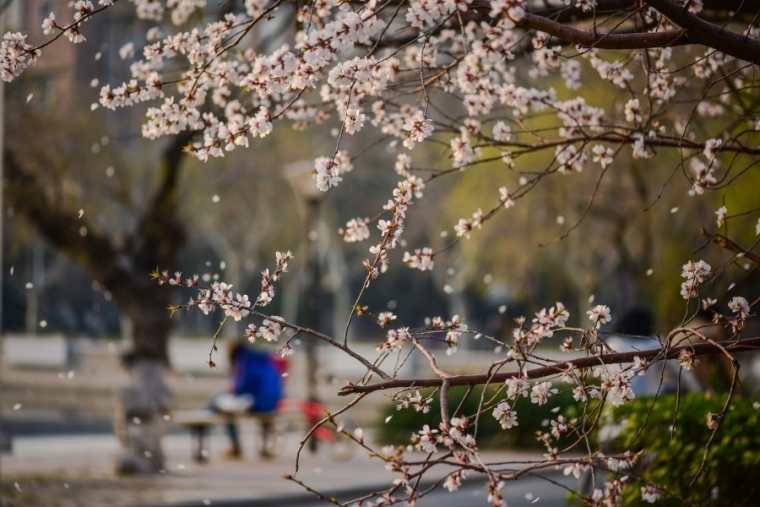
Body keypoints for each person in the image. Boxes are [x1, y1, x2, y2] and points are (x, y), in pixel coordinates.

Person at [209, 341, 283, 459]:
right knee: (265, 416)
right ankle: (265, 447)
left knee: (221, 407)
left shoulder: (245, 360)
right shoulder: (263, 358)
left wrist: (234, 390)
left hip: (258, 401)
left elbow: (242, 386)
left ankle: (236, 447)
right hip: (273, 401)